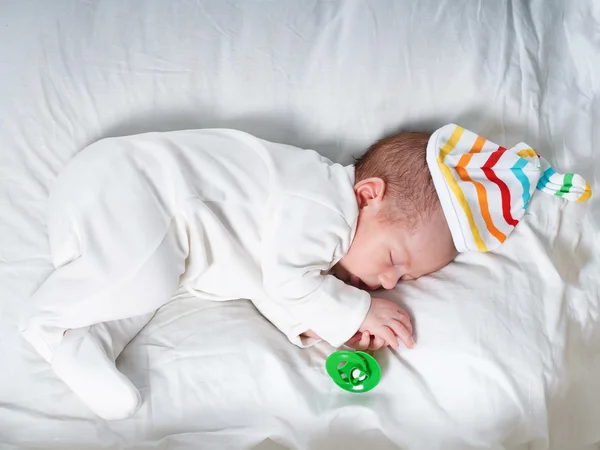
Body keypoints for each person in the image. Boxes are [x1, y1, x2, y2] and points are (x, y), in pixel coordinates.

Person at [20, 123, 590, 420]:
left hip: (161, 238)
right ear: (369, 194)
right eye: (394, 259)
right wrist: (356, 310)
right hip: (131, 186)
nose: (390, 282)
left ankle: (81, 344)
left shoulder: (318, 244)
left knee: (144, 290)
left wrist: (313, 328)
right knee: (143, 275)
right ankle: (45, 323)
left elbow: (273, 285)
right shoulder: (323, 199)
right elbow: (285, 279)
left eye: (405, 280)